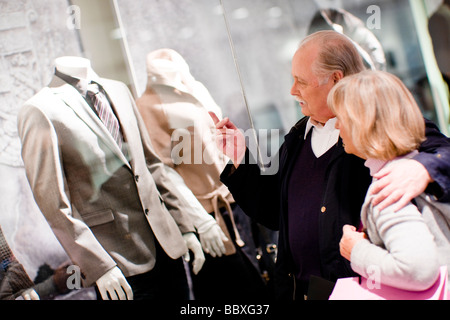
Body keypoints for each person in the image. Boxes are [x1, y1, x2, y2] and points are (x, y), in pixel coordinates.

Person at [210, 30, 450, 300]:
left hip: (360, 291)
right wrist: (241, 159)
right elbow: (273, 212)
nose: (292, 90)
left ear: (335, 78)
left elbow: (443, 151)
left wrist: (423, 168)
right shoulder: (298, 135)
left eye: (300, 81)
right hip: (298, 291)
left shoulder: (378, 127)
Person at [17, 56, 206, 300]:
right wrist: (98, 266)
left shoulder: (118, 90)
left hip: (167, 248)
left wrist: (184, 226)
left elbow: (151, 164)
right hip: (117, 263)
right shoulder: (40, 109)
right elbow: (53, 204)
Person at [135, 48, 269, 300]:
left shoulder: (194, 87)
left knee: (261, 277)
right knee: (229, 288)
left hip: (234, 202)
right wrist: (199, 220)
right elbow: (163, 171)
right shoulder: (149, 106)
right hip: (207, 213)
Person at [330, 70, 449, 290]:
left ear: (361, 123)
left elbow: (417, 270)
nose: (337, 126)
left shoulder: (390, 185)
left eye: (341, 118)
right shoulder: (419, 168)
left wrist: (356, 250)